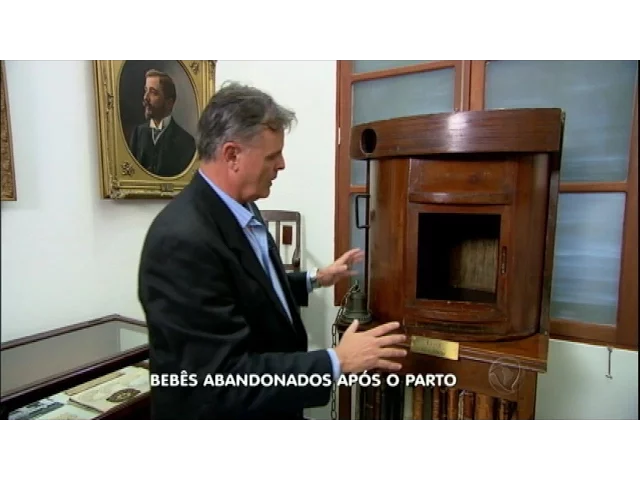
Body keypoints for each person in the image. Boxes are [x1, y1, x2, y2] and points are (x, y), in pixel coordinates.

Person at [137, 81, 407, 420]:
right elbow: (221, 380)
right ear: (232, 155)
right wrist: (337, 361)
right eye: (272, 155)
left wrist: (314, 278)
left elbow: (250, 290)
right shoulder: (181, 242)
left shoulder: (242, 206)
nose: (282, 164)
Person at [128, 69, 196, 177]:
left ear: (169, 103)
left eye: (153, 93)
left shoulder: (186, 142)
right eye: (146, 91)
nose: (145, 98)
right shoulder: (138, 133)